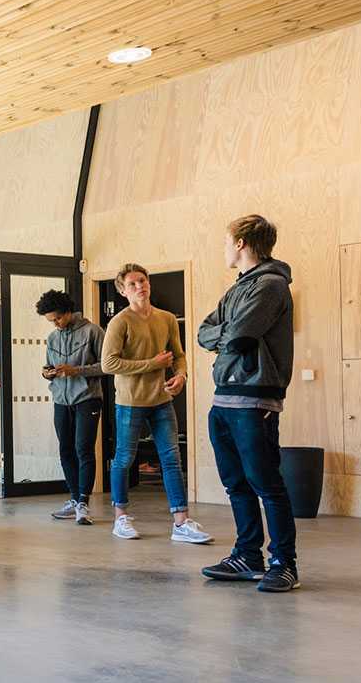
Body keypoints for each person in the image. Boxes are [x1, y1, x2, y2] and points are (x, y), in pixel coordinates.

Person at [198, 215, 299, 592]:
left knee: (267, 485)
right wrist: (227, 332)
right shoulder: (237, 289)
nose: (224, 248)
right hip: (223, 397)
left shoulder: (271, 286)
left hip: (255, 401)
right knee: (236, 484)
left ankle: (284, 563)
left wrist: (226, 333)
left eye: (227, 241)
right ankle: (247, 556)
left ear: (241, 243)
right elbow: (203, 331)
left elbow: (239, 335)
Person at [102, 264, 211, 544]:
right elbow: (108, 363)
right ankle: (120, 518)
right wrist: (153, 364)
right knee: (124, 460)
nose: (140, 286)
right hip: (130, 402)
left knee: (172, 460)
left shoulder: (167, 319)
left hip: (162, 400)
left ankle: (181, 523)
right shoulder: (120, 322)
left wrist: (181, 375)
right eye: (133, 284)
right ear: (123, 291)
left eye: (143, 280)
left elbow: (178, 354)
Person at [36, 289, 105, 525]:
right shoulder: (53, 338)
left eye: (57, 318)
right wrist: (47, 373)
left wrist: (77, 371)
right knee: (65, 449)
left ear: (68, 311)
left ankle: (84, 503)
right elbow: (48, 366)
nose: (55, 324)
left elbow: (108, 365)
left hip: (87, 398)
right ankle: (74, 499)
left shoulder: (93, 331)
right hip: (60, 400)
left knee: (83, 449)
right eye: (51, 321)